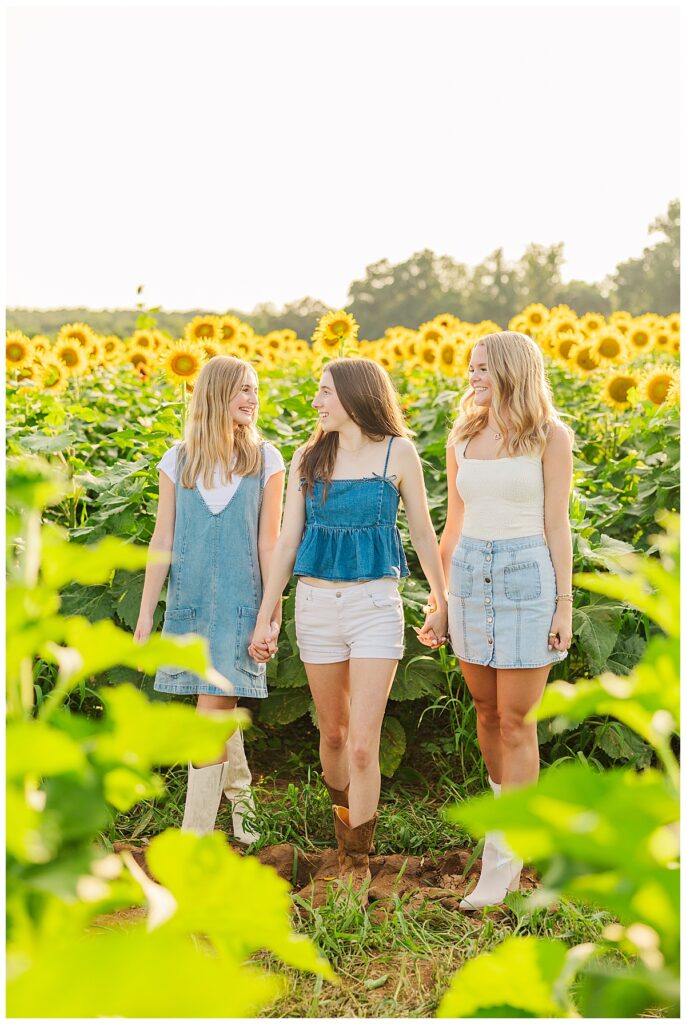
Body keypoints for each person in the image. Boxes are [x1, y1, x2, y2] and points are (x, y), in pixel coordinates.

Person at [249, 357, 448, 902]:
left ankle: (355, 859)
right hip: (315, 606)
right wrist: (270, 612)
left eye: (325, 393)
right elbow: (288, 542)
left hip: (375, 606)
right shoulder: (307, 458)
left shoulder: (397, 452)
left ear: (357, 397)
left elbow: (425, 533)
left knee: (363, 744)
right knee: (332, 735)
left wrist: (441, 596)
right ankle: (345, 825)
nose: (316, 402)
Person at [439, 331, 573, 910]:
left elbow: (557, 524)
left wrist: (564, 602)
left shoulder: (550, 436)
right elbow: (452, 524)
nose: (472, 379)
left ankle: (504, 855)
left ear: (514, 371)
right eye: (470, 370)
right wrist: (442, 599)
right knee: (486, 710)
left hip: (525, 574)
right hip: (469, 575)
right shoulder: (463, 434)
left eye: (483, 370)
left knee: (518, 721)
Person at [133, 355, 285, 844]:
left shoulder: (267, 461)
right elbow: (163, 540)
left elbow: (270, 544)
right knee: (216, 709)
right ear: (216, 394)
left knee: (209, 715)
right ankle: (244, 809)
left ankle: (194, 837)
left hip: (243, 611)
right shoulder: (178, 461)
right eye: (243, 389)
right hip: (191, 608)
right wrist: (143, 618)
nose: (252, 399)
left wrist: (271, 617)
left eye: (255, 390)